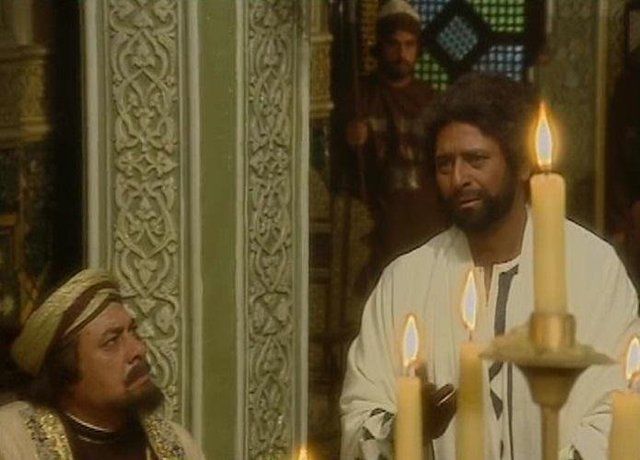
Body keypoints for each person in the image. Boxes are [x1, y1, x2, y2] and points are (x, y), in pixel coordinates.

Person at [340, 72, 640, 459]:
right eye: (444, 164)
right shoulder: (406, 280)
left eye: (476, 159)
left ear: (520, 166)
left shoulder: (591, 267)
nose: (459, 178)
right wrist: (405, 428)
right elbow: (359, 414)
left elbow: (621, 401)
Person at [0, 268, 204, 459]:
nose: (139, 349)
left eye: (133, 331)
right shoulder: (11, 441)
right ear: (66, 371)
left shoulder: (178, 444)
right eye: (112, 341)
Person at [346, 0, 447, 286]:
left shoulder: (431, 101)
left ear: (417, 49)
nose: (401, 54)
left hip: (426, 218)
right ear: (380, 47)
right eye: (393, 44)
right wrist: (354, 142)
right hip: (379, 218)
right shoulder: (360, 96)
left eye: (409, 45)